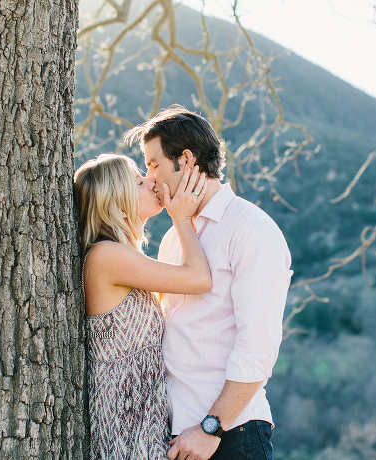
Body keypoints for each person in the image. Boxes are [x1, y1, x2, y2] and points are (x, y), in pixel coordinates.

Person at [124, 105, 293, 460]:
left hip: (229, 435)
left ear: (185, 160)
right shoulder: (174, 237)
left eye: (154, 165)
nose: (150, 178)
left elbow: (258, 347)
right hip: (175, 437)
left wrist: (210, 428)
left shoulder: (250, 229)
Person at [74, 153, 212, 459]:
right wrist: (182, 218)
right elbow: (200, 279)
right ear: (119, 204)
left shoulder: (117, 255)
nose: (151, 182)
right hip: (125, 426)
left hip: (142, 422)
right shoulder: (107, 256)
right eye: (138, 181)